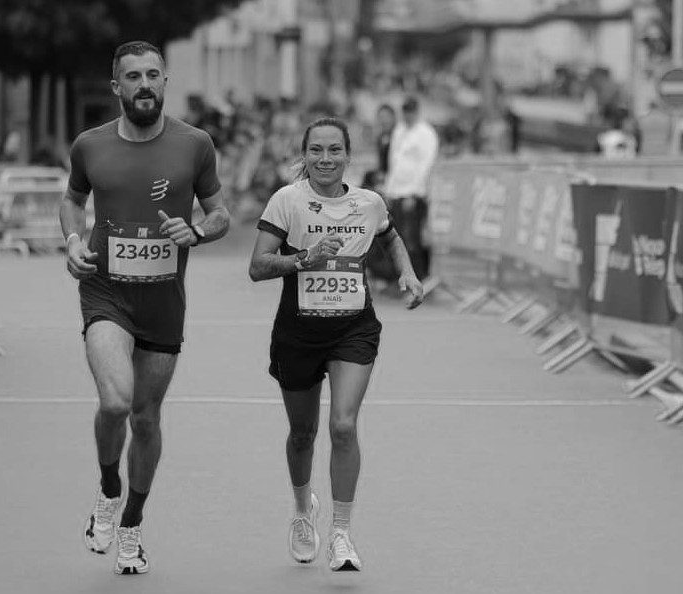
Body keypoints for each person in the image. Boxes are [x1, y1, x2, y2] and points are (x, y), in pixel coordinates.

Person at [59, 40, 229, 576]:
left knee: (147, 418)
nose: (144, 84)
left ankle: (131, 522)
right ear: (117, 87)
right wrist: (70, 240)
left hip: (163, 301)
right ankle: (109, 488)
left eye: (153, 74)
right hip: (106, 291)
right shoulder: (89, 145)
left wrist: (197, 231)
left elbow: (220, 213)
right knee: (115, 402)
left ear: (165, 80)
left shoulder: (195, 144)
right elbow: (71, 200)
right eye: (132, 76)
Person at [249, 117, 424, 571]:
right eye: (316, 151)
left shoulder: (368, 203)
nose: (325, 159)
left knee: (343, 426)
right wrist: (306, 257)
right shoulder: (287, 201)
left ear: (349, 156)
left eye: (334, 151)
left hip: (354, 329)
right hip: (298, 332)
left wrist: (407, 272)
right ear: (304, 156)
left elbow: (391, 237)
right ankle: (303, 511)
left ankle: (342, 534)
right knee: (303, 433)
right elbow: (258, 265)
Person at [383, 96, 438, 280]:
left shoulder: (426, 133)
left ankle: (420, 277)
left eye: (411, 111)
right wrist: (389, 189)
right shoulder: (399, 130)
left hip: (413, 194)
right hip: (397, 191)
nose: (408, 115)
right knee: (397, 239)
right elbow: (394, 162)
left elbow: (425, 166)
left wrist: (414, 193)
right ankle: (401, 277)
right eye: (405, 111)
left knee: (413, 239)